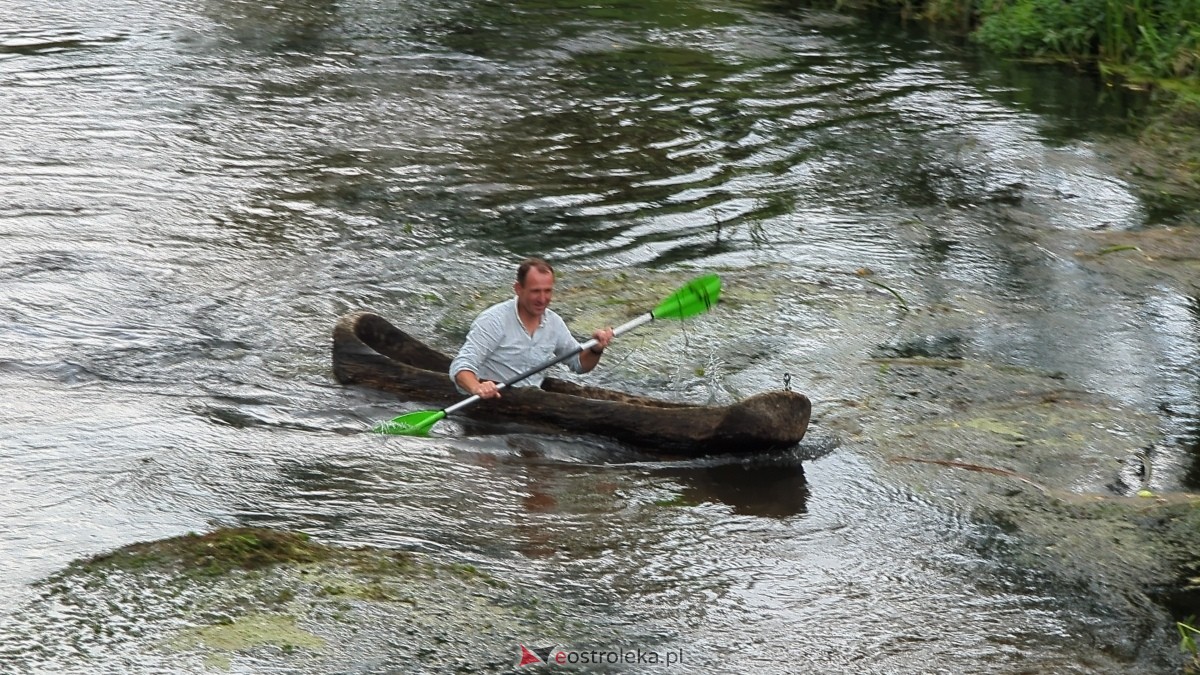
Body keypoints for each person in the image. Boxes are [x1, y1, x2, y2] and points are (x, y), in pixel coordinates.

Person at [450, 258, 614, 399]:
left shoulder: (554, 323)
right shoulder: (493, 321)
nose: (542, 299)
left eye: (547, 291)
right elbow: (461, 367)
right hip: (492, 400)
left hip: (531, 400)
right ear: (518, 289)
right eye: (536, 291)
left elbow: (579, 365)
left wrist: (595, 349)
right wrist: (477, 388)